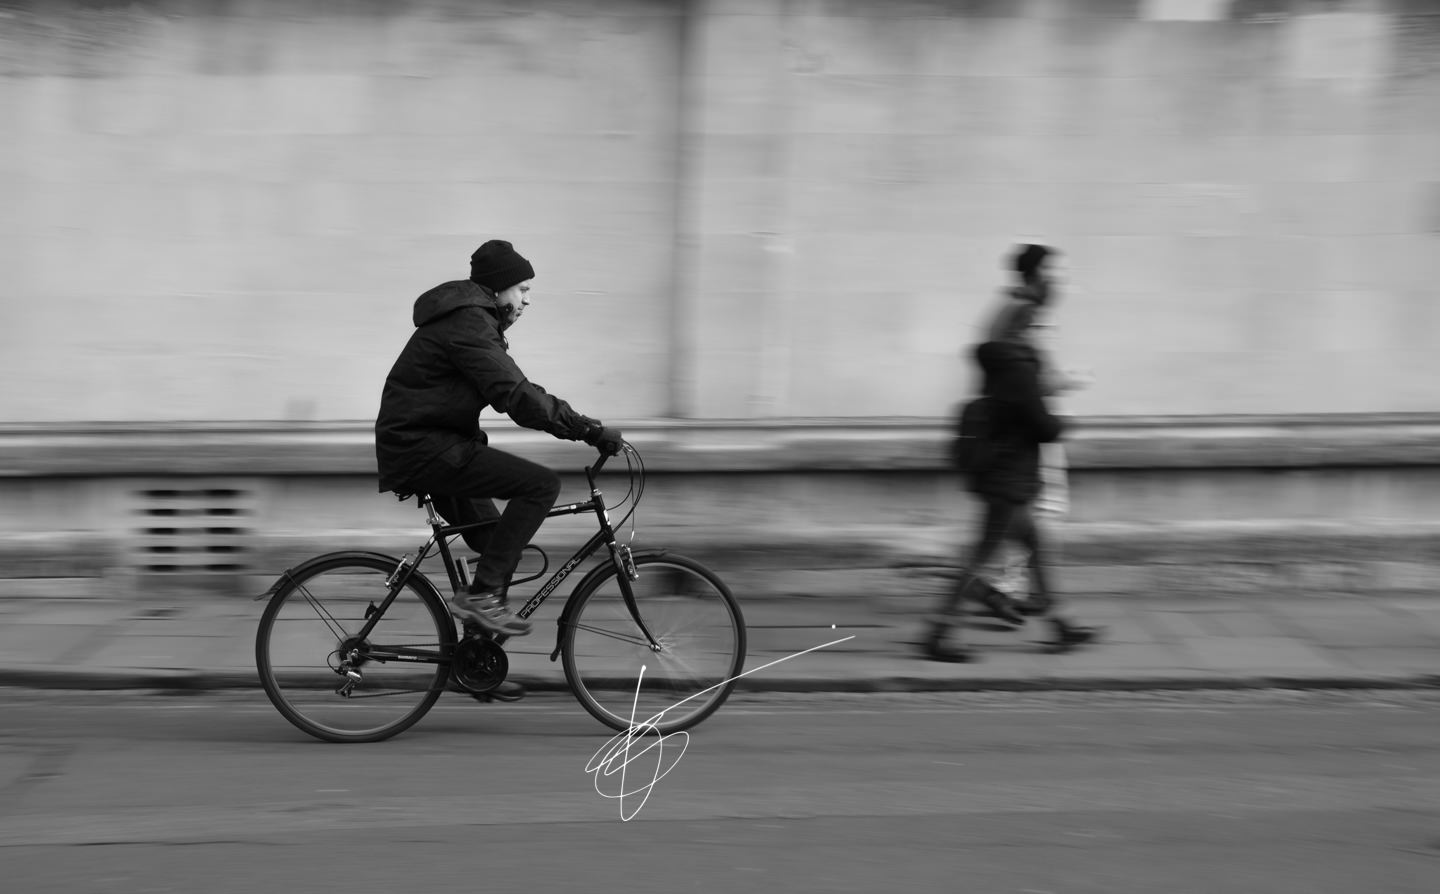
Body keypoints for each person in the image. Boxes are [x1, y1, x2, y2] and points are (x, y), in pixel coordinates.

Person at [375, 239, 624, 645]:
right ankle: (483, 598)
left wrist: (578, 423)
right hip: (424, 447)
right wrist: (588, 430)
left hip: (429, 444)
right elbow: (518, 398)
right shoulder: (468, 324)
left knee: (496, 546)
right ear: (498, 288)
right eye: (522, 289)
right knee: (541, 485)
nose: (528, 300)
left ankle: (475, 659)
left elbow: (518, 387)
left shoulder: (472, 323)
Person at [923, 296, 1099, 663]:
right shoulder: (1019, 367)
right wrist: (1063, 420)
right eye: (1039, 327)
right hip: (1009, 479)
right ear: (1024, 328)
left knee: (1035, 548)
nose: (1044, 335)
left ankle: (1060, 624)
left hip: (1004, 475)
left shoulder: (999, 363)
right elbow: (1041, 424)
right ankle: (938, 633)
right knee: (981, 556)